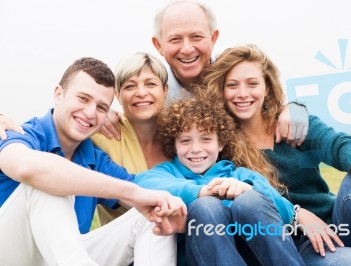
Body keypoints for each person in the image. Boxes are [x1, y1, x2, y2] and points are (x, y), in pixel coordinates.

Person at [202, 44, 351, 265]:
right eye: (232, 85)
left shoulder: (293, 125)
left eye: (252, 83)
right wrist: (296, 215)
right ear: (221, 90)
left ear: (267, 87)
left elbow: (341, 145)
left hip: (339, 225)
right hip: (297, 247)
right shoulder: (219, 145)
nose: (243, 93)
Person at [0, 57, 186, 266]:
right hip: (11, 254)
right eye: (83, 98)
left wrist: (194, 193)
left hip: (66, 258)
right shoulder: (18, 133)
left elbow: (142, 189)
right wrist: (132, 193)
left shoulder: (94, 159)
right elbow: (26, 168)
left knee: (150, 217)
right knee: (46, 180)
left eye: (101, 107)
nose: (90, 113)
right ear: (58, 94)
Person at [135, 96, 348, 265]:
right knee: (206, 205)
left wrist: (247, 189)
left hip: (253, 255)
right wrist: (201, 192)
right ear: (174, 145)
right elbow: (141, 185)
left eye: (206, 139)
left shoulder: (237, 174)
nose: (196, 149)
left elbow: (276, 204)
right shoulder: (167, 173)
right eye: (185, 141)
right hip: (205, 257)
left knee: (251, 200)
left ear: (220, 144)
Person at [100, 0, 309, 147]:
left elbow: (269, 102)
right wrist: (105, 115)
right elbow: (135, 114)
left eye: (196, 37)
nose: (187, 48)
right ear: (158, 45)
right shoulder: (155, 88)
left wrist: (295, 108)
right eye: (175, 40)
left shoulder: (235, 70)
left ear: (213, 38)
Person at [92, 52, 170, 225]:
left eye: (150, 84)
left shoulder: (182, 133)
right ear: (117, 95)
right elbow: (57, 129)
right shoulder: (101, 135)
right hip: (124, 246)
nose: (141, 93)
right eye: (130, 86)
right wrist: (97, 113)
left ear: (165, 90)